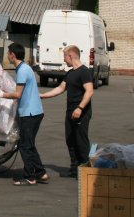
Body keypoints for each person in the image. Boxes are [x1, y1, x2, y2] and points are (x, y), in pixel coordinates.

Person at [0, 43, 48, 186]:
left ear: (12, 55)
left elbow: (18, 94)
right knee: (29, 144)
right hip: (34, 112)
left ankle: (30, 177)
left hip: (30, 113)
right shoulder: (25, 68)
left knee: (25, 146)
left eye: (8, 53)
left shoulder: (22, 70)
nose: (7, 56)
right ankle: (41, 173)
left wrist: (1, 94)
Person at [40, 44, 94, 178]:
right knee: (70, 140)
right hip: (70, 112)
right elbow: (60, 88)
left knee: (81, 141)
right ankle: (74, 169)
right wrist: (41, 95)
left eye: (64, 56)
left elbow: (89, 91)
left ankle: (85, 171)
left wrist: (80, 108)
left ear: (70, 56)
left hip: (81, 112)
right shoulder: (70, 73)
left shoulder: (84, 72)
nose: (64, 60)